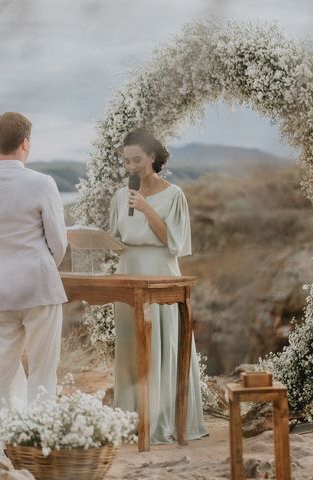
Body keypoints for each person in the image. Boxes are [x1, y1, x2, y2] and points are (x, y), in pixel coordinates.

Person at [109, 128, 207, 444]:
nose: (132, 167)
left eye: (137, 159)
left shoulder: (174, 195)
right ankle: (133, 418)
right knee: (130, 347)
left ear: (152, 157)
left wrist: (148, 209)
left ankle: (163, 418)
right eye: (126, 161)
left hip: (160, 271)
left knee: (161, 344)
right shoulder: (118, 196)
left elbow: (175, 242)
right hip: (127, 272)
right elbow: (116, 237)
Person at [0, 112, 68, 411]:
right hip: (39, 284)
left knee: (1, 372)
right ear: (25, 143)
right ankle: (38, 439)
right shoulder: (42, 183)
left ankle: (2, 436)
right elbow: (59, 241)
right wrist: (47, 265)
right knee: (42, 370)